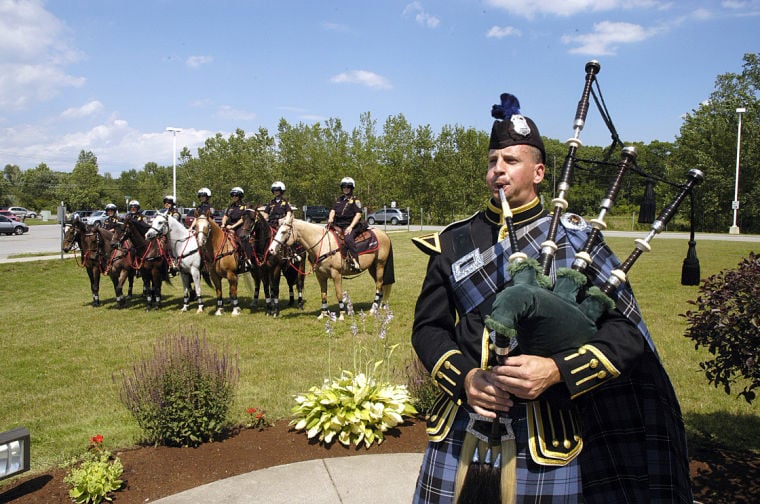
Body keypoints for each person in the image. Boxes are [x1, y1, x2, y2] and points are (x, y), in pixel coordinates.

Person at [410, 95, 692, 503]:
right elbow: (429, 328)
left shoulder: (579, 239)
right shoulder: (454, 241)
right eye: (492, 161)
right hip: (462, 422)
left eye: (511, 161)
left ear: (539, 172)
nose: (498, 171)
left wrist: (556, 369)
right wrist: (466, 380)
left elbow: (624, 335)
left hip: (548, 433)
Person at [327, 176, 363, 272]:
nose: (346, 189)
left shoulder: (356, 200)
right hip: (337, 225)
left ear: (352, 188)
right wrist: (330, 218)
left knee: (348, 238)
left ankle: (355, 262)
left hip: (351, 225)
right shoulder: (339, 199)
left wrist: (351, 227)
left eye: (348, 187)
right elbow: (333, 210)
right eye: (344, 187)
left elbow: (358, 215)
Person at [221, 186, 252, 271]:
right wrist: (223, 224)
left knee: (243, 238)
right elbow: (225, 216)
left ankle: (247, 259)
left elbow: (243, 219)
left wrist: (233, 227)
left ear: (240, 196)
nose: (234, 197)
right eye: (233, 195)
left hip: (239, 227)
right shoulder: (230, 206)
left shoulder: (244, 206)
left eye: (236, 195)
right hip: (228, 226)